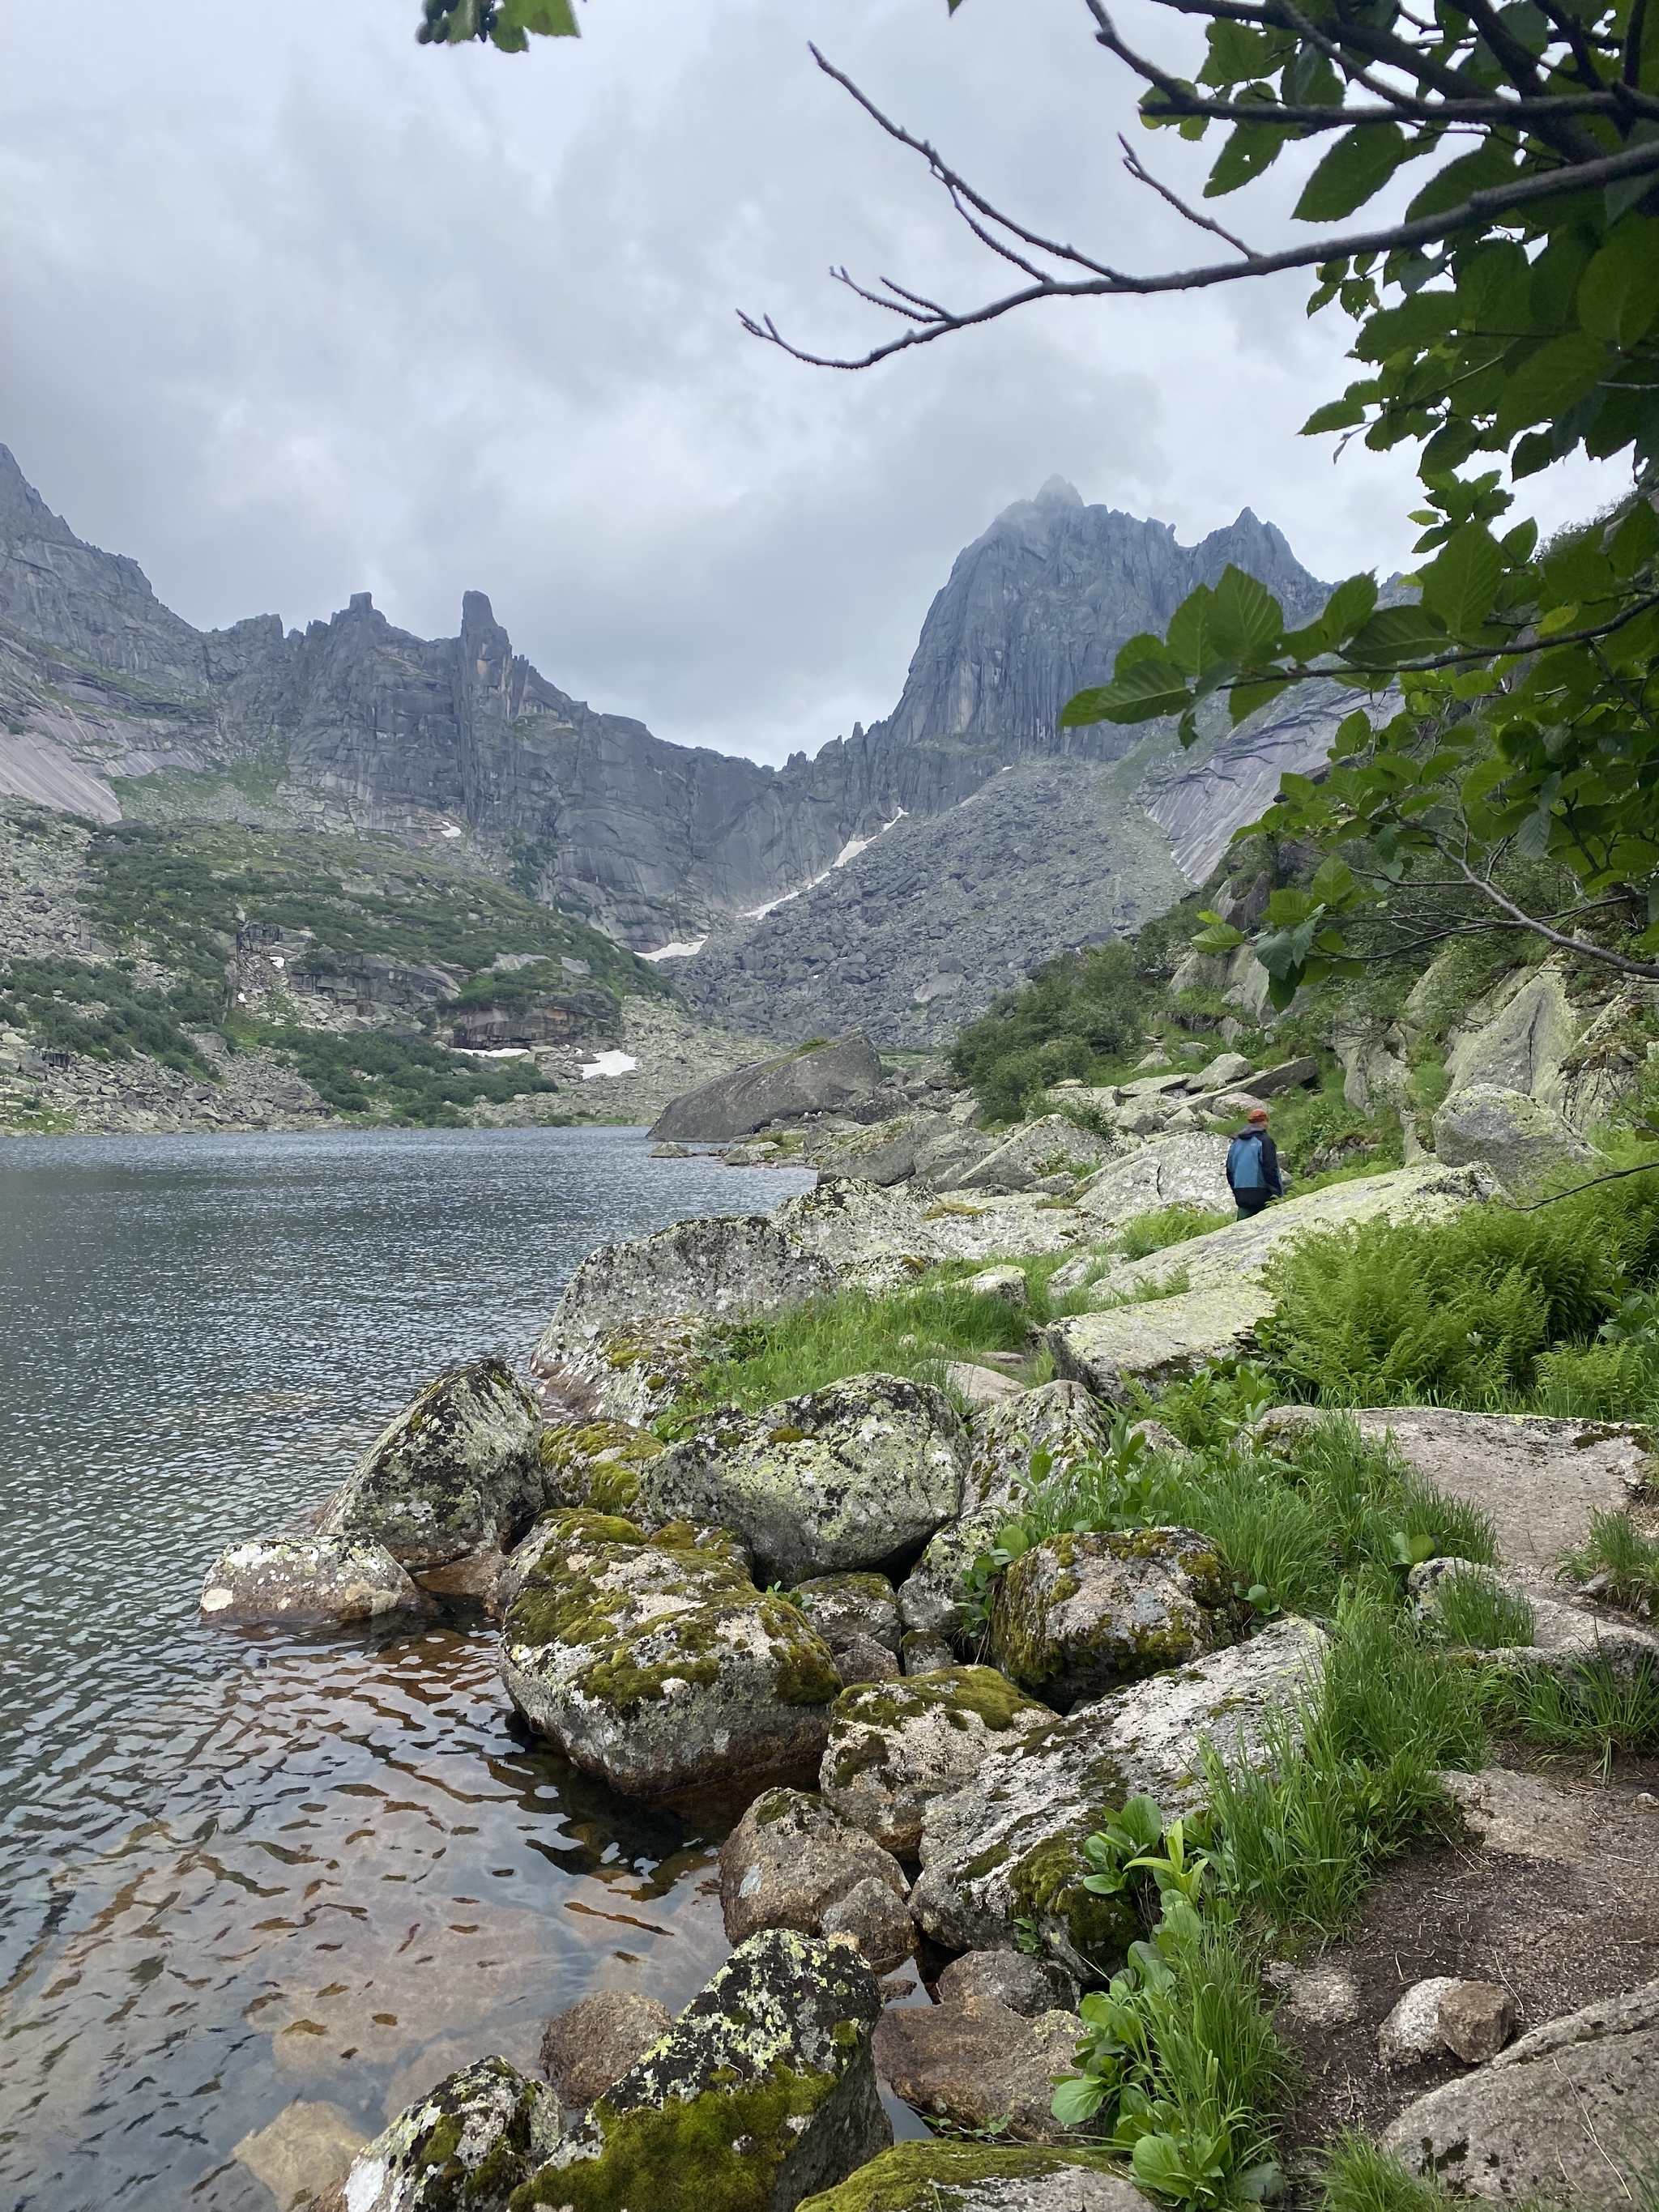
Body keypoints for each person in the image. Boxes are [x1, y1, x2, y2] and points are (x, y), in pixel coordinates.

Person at [1226, 1105, 1282, 1219]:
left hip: (1241, 1195)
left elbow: (1230, 1171)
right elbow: (1270, 1169)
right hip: (1263, 1194)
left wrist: (1236, 1191)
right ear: (1263, 1122)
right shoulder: (1265, 1141)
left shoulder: (1236, 1144)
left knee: (1241, 1231)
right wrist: (1277, 1193)